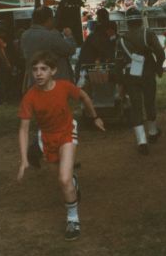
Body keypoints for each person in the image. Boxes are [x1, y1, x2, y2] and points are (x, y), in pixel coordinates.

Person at [17, 50, 105, 241]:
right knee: (61, 178)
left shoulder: (64, 86)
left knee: (63, 179)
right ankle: (73, 181)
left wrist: (95, 117)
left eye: (44, 69)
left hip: (66, 132)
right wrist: (24, 159)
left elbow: (85, 97)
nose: (38, 73)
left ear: (53, 70)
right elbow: (23, 129)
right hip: (47, 138)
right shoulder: (30, 97)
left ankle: (73, 220)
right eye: (35, 70)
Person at [115, 8, 165, 155]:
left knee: (136, 106)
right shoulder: (147, 34)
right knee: (150, 102)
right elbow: (160, 53)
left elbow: (118, 63)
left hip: (131, 75)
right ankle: (153, 132)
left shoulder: (122, 40)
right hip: (148, 73)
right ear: (140, 20)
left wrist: (121, 82)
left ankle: (141, 141)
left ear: (127, 22)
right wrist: (158, 67)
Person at [21, 6, 76, 89]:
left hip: (35, 81)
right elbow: (70, 50)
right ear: (49, 19)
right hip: (54, 84)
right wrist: (69, 37)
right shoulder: (51, 35)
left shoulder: (25, 35)